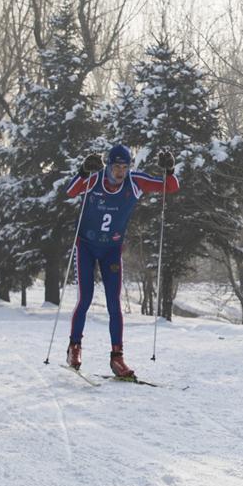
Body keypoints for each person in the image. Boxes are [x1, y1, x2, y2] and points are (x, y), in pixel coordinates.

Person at [64, 143, 179, 378]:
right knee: (84, 298)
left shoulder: (134, 182)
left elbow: (170, 188)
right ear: (108, 165)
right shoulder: (95, 180)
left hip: (111, 250)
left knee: (114, 304)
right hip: (85, 246)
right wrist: (84, 171)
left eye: (125, 167)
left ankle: (117, 357)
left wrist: (169, 170)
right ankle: (74, 347)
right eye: (116, 167)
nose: (120, 172)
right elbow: (71, 192)